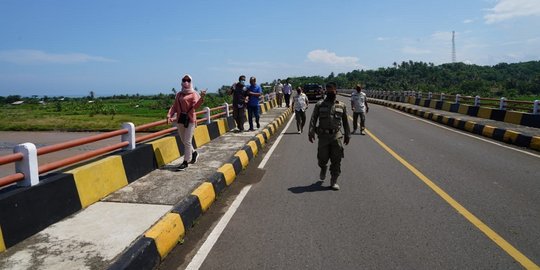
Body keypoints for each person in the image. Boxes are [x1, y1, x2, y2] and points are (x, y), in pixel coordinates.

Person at [308, 82, 350, 190]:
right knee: (322, 158)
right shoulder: (319, 104)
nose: (330, 92)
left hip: (336, 135)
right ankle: (323, 168)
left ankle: (334, 180)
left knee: (336, 160)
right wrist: (311, 132)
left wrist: (347, 135)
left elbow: (345, 122)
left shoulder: (341, 105)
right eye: (328, 90)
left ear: (336, 90)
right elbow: (313, 118)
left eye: (332, 90)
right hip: (323, 136)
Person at [167, 74, 206, 171]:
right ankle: (194, 153)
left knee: (187, 141)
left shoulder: (194, 94)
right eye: (184, 80)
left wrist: (202, 98)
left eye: (188, 80)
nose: (186, 82)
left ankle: (185, 161)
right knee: (184, 140)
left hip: (190, 120)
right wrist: (169, 115)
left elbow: (196, 107)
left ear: (191, 82)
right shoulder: (179, 94)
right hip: (180, 119)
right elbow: (174, 106)